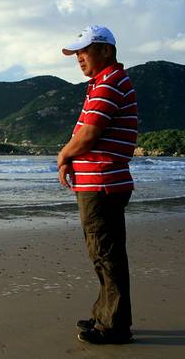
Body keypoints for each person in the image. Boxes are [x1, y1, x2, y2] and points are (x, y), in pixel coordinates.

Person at [56, 25, 137, 344]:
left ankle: (114, 326)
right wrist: (70, 158)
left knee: (106, 254)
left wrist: (63, 155)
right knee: (103, 253)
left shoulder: (110, 83)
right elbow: (86, 133)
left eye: (84, 51)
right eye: (76, 53)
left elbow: (89, 134)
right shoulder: (103, 83)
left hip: (102, 184)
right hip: (100, 183)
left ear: (106, 50)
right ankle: (105, 314)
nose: (79, 58)